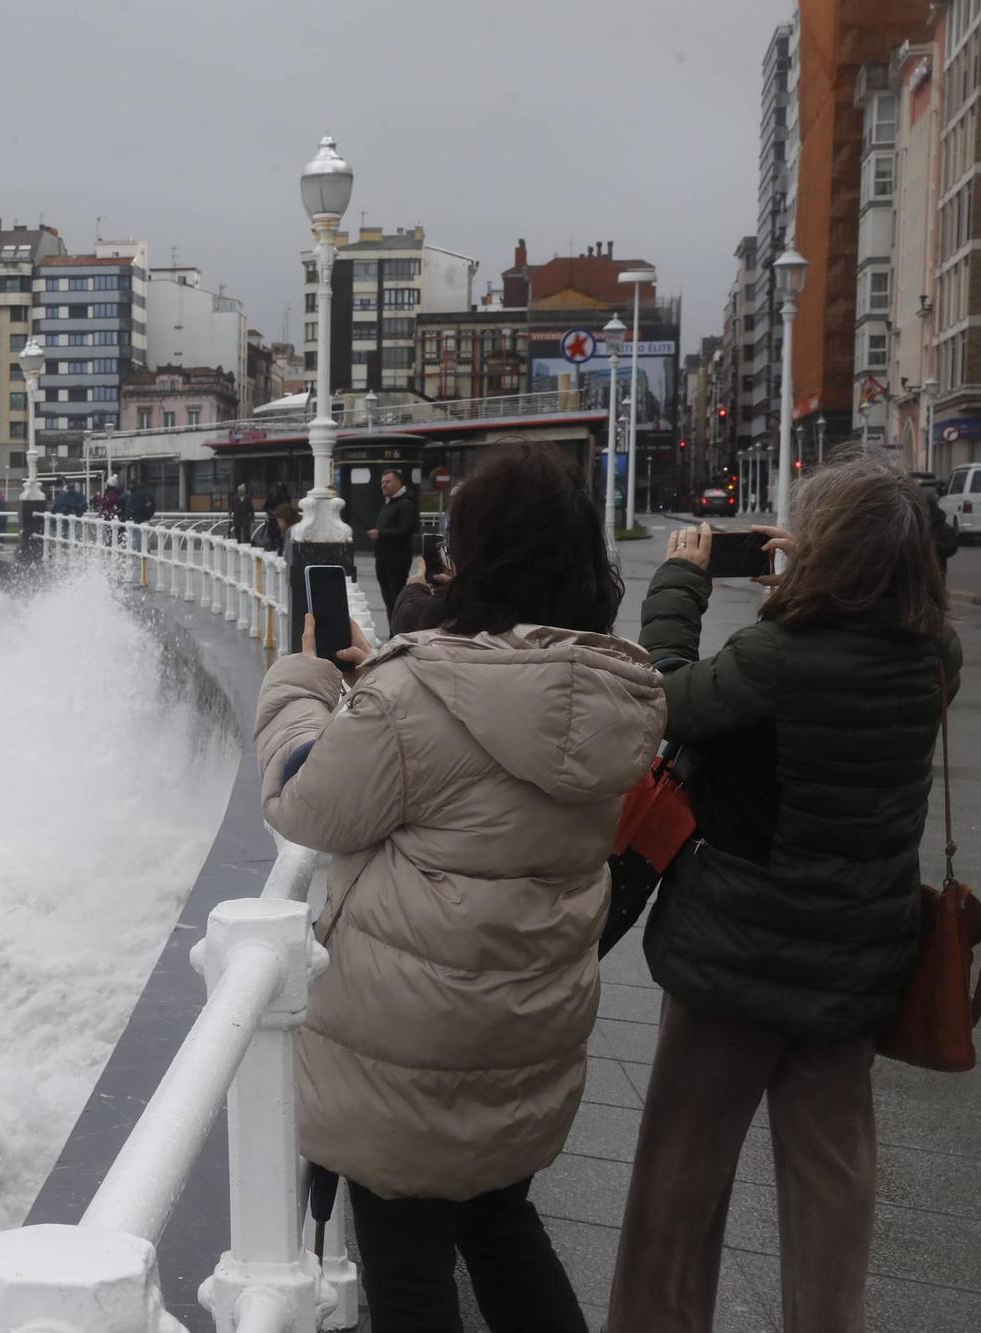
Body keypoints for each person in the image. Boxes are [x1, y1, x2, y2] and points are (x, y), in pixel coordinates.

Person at [255, 442, 663, 1332]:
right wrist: (379, 686)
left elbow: (303, 797)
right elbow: (477, 755)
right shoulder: (606, 688)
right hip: (525, 1035)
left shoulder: (417, 692)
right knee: (502, 1228)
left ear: (479, 556)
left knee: (406, 1271)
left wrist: (305, 677)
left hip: (409, 1053)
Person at [606, 456, 962, 1333]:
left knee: (679, 1185)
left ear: (827, 555)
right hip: (854, 966)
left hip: (737, 960)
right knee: (832, 1184)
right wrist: (826, 571)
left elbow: (667, 697)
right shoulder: (933, 658)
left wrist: (681, 585)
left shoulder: (777, 657)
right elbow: (864, 637)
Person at [368, 469, 418, 620]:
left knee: (395, 597)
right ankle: (393, 631)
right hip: (383, 558)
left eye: (388, 482)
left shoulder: (405, 504)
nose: (384, 485)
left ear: (399, 482)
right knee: (388, 598)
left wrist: (380, 534)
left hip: (397, 559)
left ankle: (397, 631)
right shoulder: (389, 503)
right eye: (382, 482)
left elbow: (405, 529)